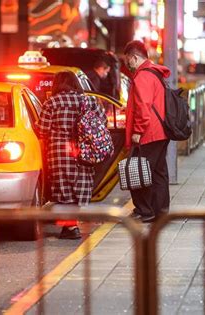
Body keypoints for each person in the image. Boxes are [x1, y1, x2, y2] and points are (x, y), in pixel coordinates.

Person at [37, 71, 107, 239]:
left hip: (59, 153)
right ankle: (71, 226)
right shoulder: (89, 100)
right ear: (76, 83)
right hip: (84, 151)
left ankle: (70, 227)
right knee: (79, 188)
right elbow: (103, 121)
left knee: (63, 191)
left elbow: (42, 130)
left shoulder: (52, 102)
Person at [123, 40, 170, 223]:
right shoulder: (155, 73)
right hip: (160, 132)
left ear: (134, 58)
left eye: (128, 60)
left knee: (138, 172)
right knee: (158, 173)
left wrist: (138, 130)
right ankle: (161, 211)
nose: (128, 65)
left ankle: (145, 210)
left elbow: (143, 107)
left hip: (148, 133)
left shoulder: (142, 76)